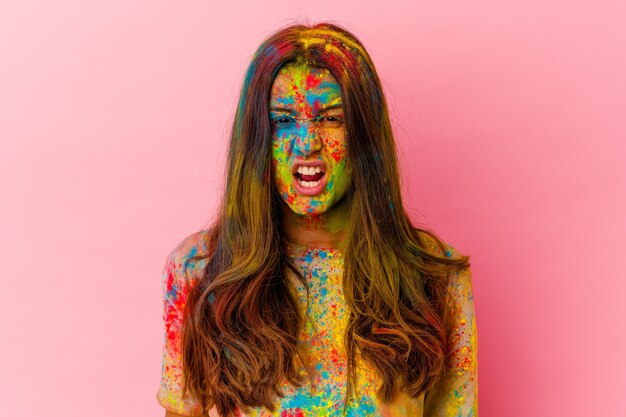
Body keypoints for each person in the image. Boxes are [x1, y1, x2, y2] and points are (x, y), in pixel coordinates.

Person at [156, 22, 478, 417]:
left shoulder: (434, 276)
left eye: (330, 118)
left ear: (364, 134)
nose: (307, 142)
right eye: (284, 121)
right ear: (258, 139)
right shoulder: (199, 270)